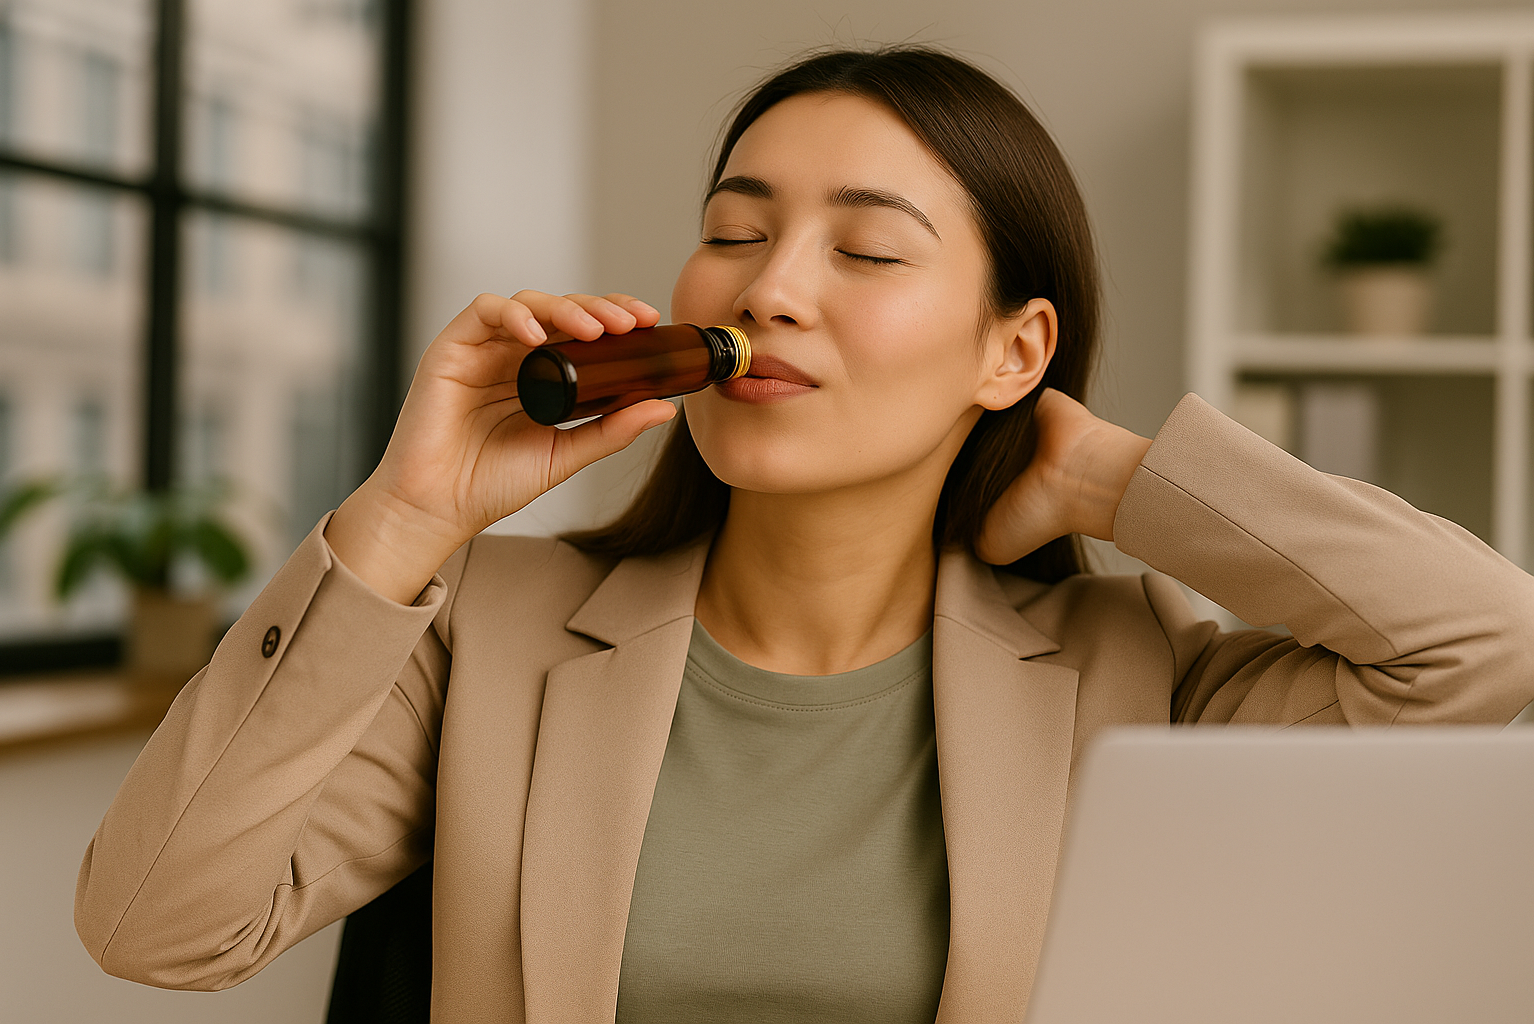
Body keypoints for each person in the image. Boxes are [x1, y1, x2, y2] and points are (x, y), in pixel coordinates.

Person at [75, 46, 1534, 1024]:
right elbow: (156, 925)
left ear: (1013, 352)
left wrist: (1120, 480)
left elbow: (1490, 651)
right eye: (736, 226)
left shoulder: (1134, 671)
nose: (770, 288)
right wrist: (405, 517)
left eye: (871, 248)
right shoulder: (487, 631)